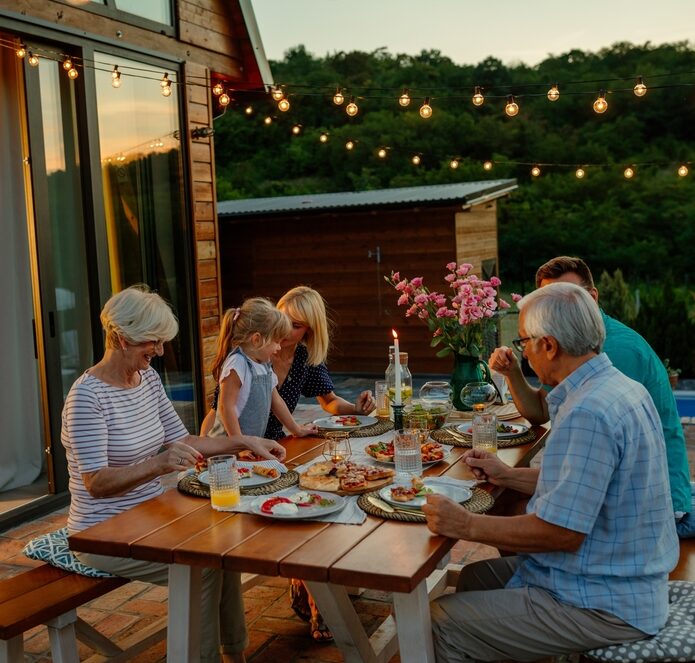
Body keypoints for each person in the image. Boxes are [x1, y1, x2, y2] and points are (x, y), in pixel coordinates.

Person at [423, 282, 679, 662]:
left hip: (604, 602)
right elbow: (584, 485)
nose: (522, 351)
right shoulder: (616, 388)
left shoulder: (589, 412)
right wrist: (506, 476)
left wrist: (465, 526)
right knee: (475, 578)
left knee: (440, 620)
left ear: (549, 345)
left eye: (524, 341)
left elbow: (561, 532)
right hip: (621, 576)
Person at [61, 285, 286, 663]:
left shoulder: (146, 380)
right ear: (120, 338)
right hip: (101, 533)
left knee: (224, 547)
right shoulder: (87, 397)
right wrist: (159, 464)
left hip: (150, 517)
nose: (161, 352)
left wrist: (247, 442)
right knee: (202, 567)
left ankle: (235, 653)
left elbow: (185, 439)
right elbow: (95, 483)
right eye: (154, 342)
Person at [489, 256, 692, 531]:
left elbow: (569, 513)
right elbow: (542, 411)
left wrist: (466, 524)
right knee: (507, 498)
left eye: (568, 297)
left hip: (658, 508)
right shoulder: (575, 350)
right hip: (624, 489)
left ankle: (536, 573)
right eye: (550, 300)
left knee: (510, 510)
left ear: (592, 297)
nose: (558, 310)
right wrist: (514, 372)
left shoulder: (614, 353)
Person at [271, 286, 376, 642]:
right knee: (309, 504)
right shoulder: (255, 349)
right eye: (283, 319)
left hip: (286, 446)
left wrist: (358, 409)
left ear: (310, 331)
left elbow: (329, 401)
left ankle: (314, 586)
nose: (286, 330)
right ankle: (318, 597)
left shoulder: (301, 356)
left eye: (297, 325)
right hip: (252, 451)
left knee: (331, 488)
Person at [205, 297, 317, 440]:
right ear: (257, 339)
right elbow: (226, 408)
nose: (279, 347)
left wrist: (297, 430)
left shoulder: (264, 366)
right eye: (276, 341)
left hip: (248, 446)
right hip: (226, 447)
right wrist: (239, 443)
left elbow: (276, 402)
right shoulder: (237, 364)